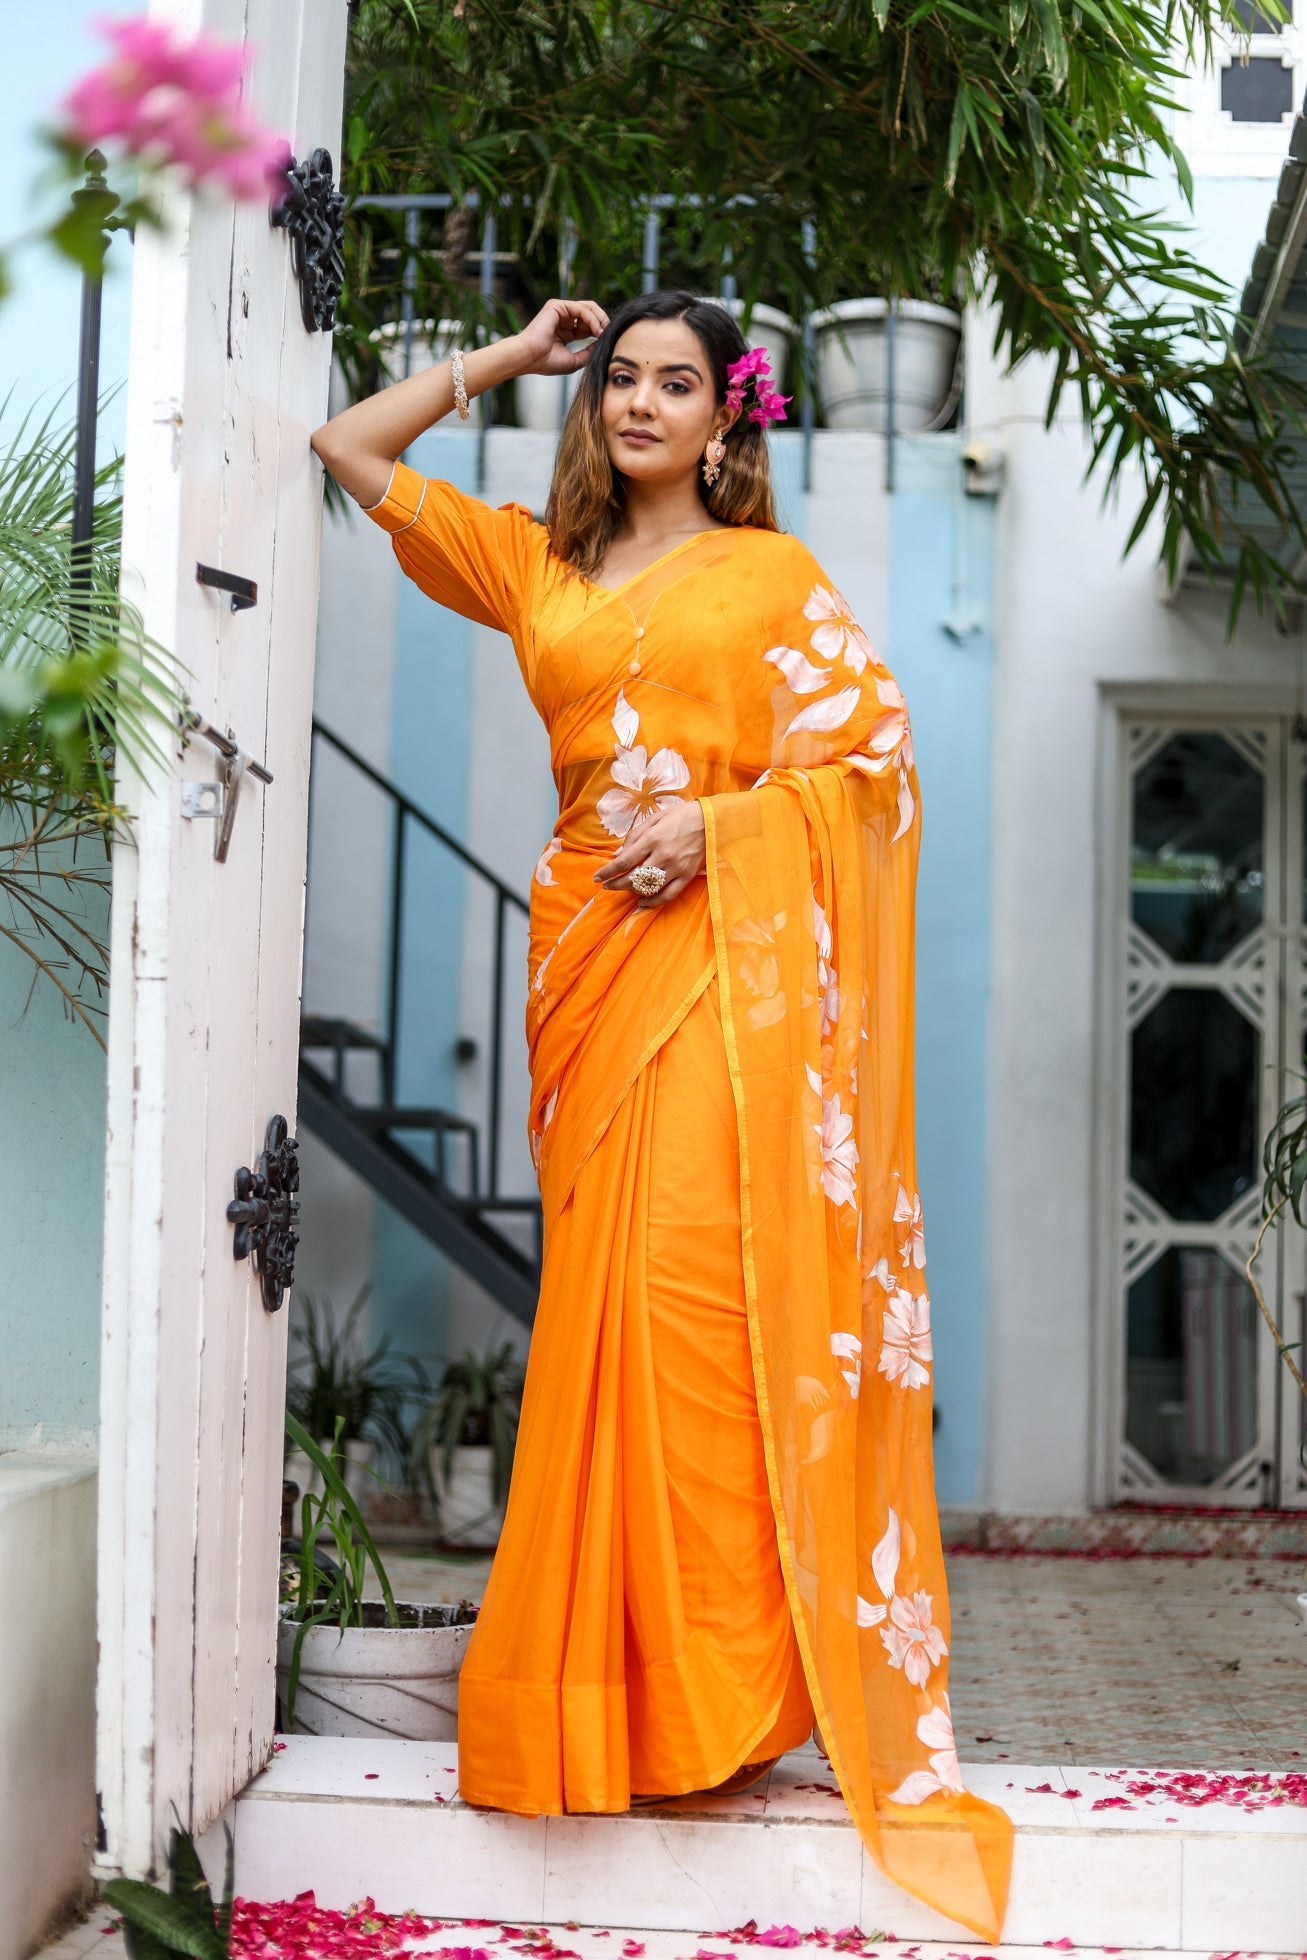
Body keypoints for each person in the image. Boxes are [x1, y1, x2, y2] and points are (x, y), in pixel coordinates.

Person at [310, 290, 1012, 1941]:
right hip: (582, 982)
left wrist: (723, 831)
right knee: (604, 1329)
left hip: (715, 976)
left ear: (728, 420)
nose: (636, 402)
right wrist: (504, 360)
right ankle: (593, 1710)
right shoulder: (537, 571)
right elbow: (347, 448)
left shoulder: (770, 580)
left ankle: (715, 1704)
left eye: (671, 382)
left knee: (700, 1318)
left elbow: (872, 762)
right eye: (618, 377)